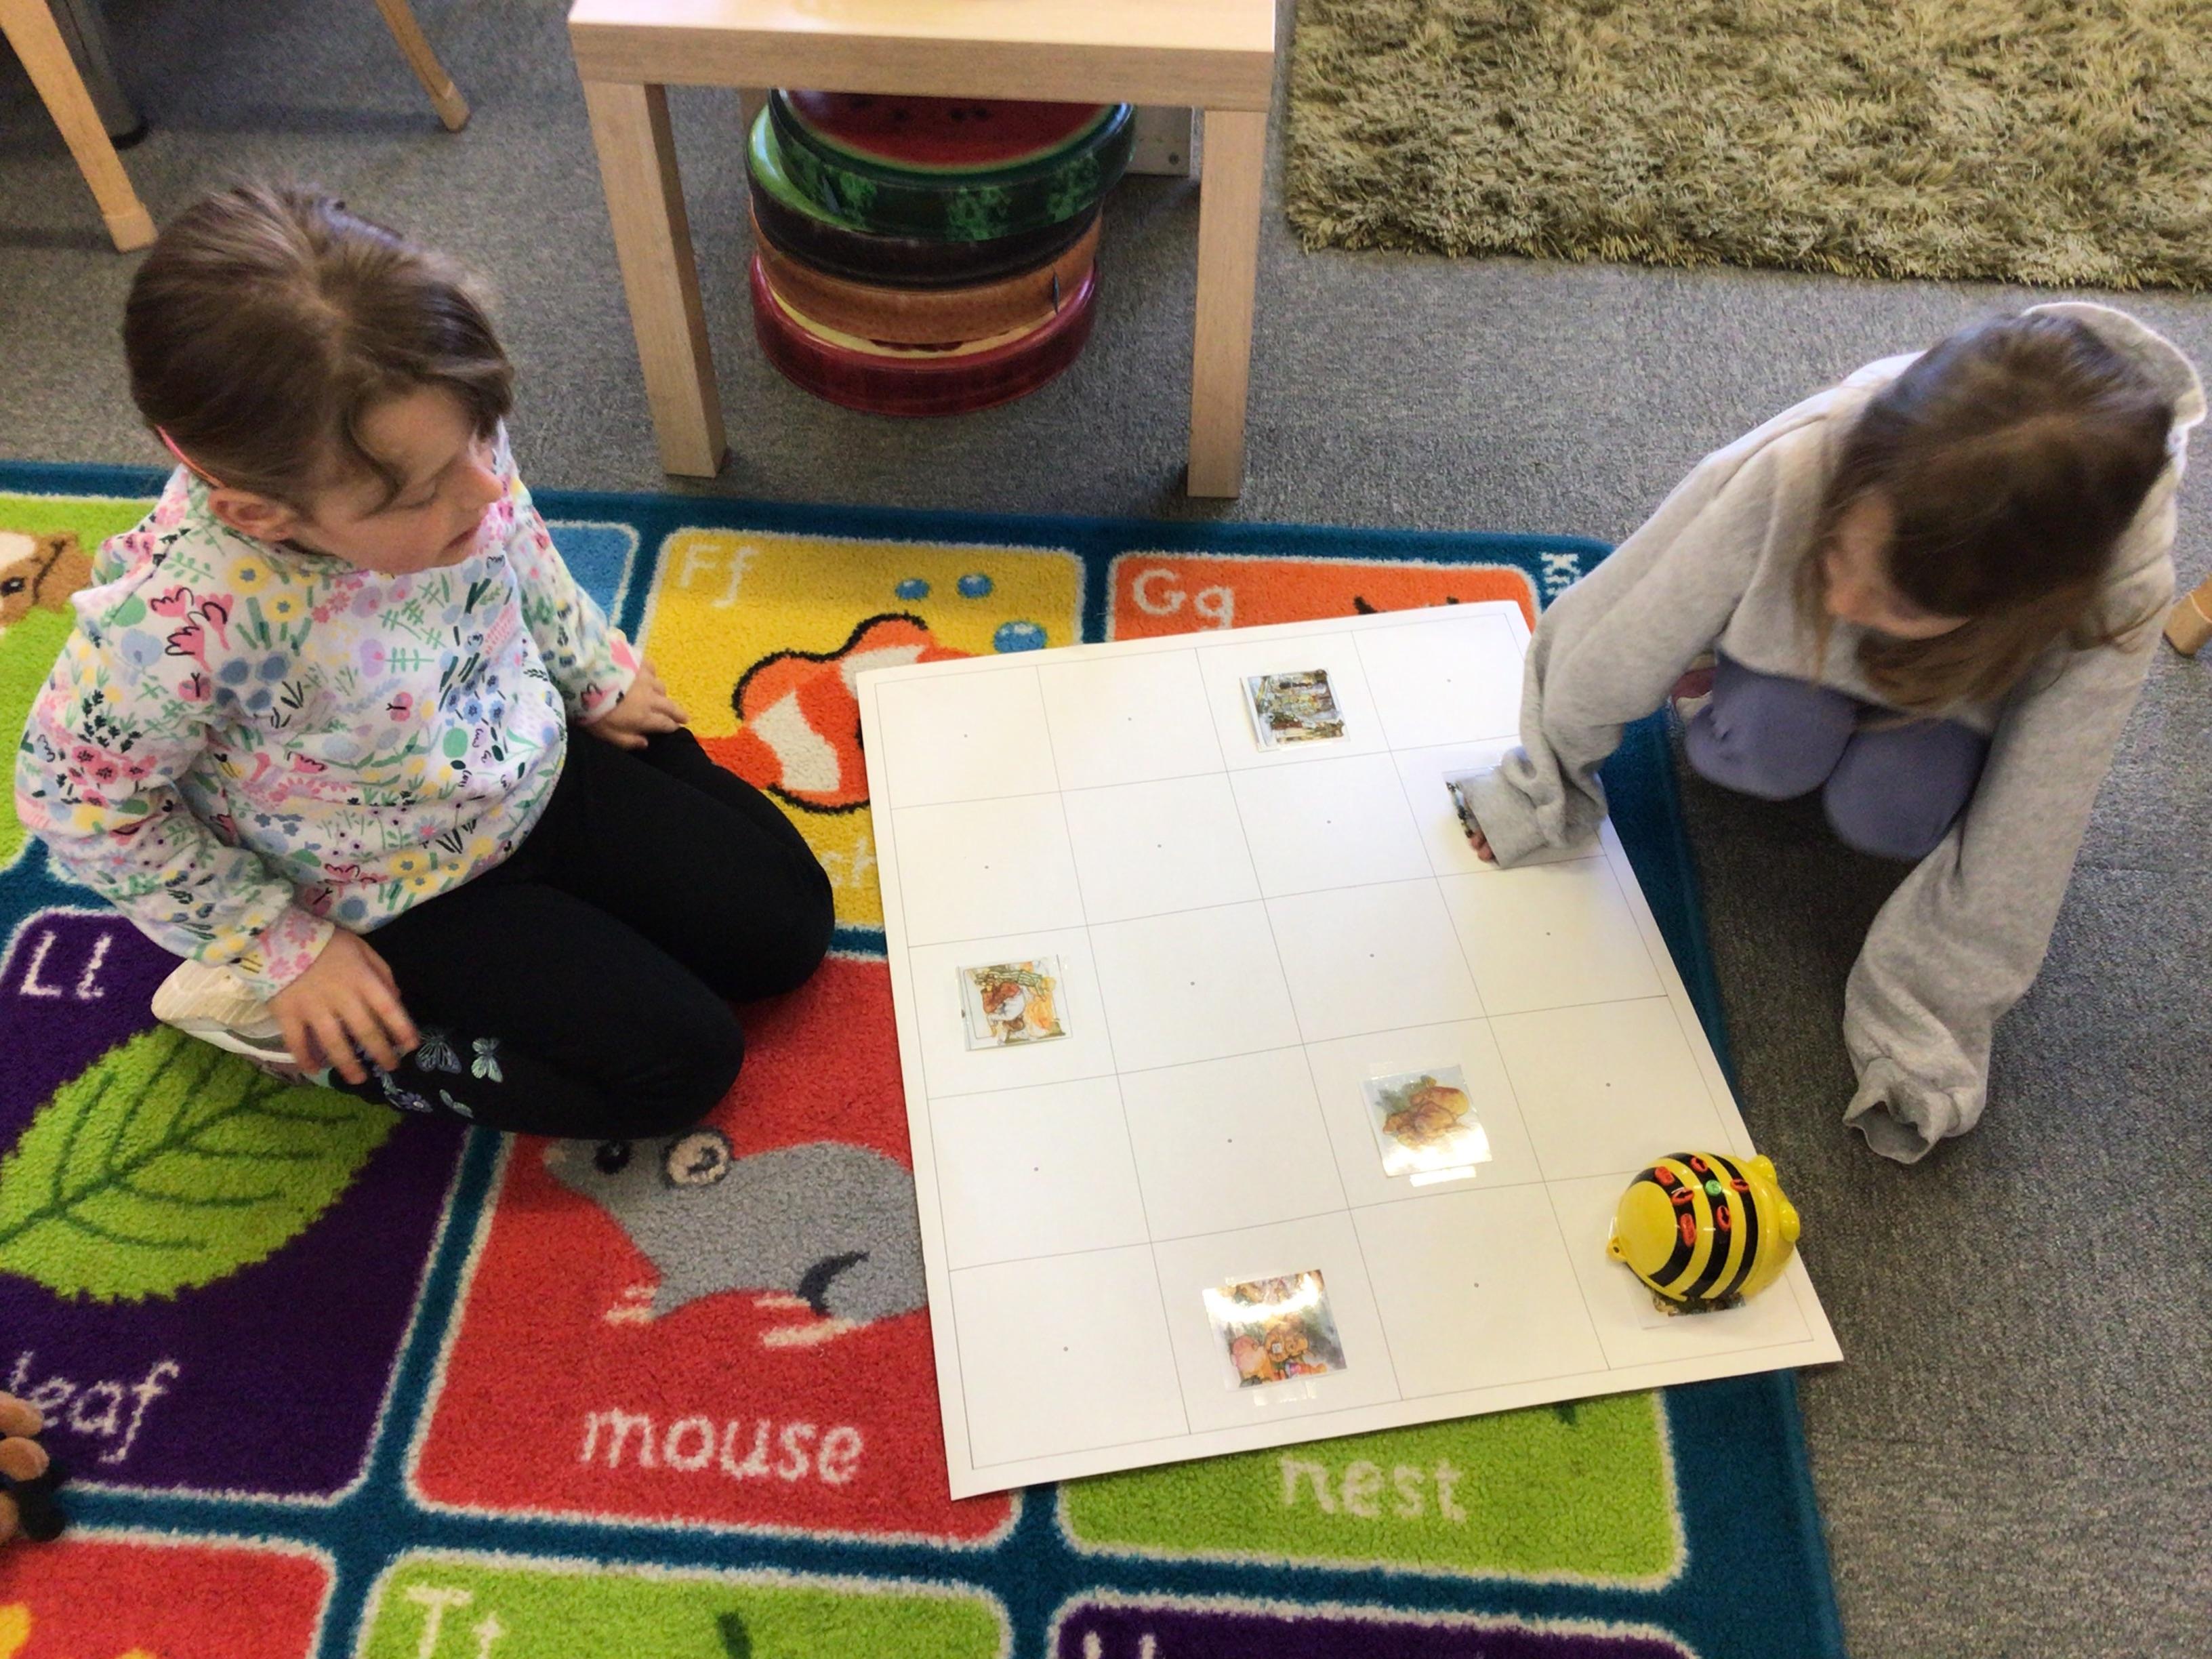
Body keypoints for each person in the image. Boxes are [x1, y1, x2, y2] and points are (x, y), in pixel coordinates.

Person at [14, 185, 834, 1138]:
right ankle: (273, 1024)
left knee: (785, 929)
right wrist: (282, 947)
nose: (484, 488)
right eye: (425, 492)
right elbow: (76, 802)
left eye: (480, 440)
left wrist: (586, 667)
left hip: (525, 763)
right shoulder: (176, 625)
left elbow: (516, 529)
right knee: (681, 1066)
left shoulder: (431, 428)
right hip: (387, 886)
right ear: (260, 514)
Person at [1460, 304, 2201, 1162]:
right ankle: (1737, 684)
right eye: (1836, 559)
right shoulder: (1810, 455)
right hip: (1781, 649)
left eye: (1895, 602)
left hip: (1957, 701)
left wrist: (1925, 1033)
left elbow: (2041, 813)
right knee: (1756, 752)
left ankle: (1883, 723)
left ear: (2019, 603)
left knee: (1888, 815)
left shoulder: (2115, 594)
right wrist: (1546, 784)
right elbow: (1630, 613)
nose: (1847, 603)